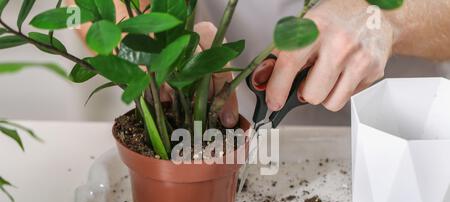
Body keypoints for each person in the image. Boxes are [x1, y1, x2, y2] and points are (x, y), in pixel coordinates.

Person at [69, 0, 450, 127]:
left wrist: (388, 19)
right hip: (208, 101)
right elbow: (83, 8)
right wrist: (147, 43)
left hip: (402, 137)